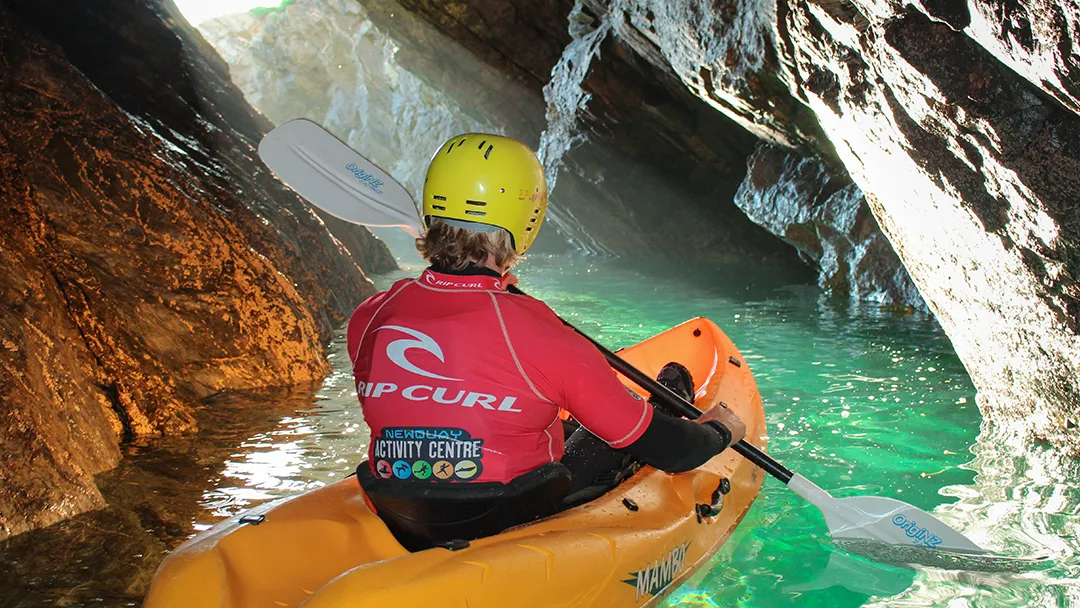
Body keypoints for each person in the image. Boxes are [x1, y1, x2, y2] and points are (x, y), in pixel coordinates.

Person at [346, 133, 746, 550]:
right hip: (515, 513)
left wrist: (492, 297)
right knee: (640, 413)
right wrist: (722, 431)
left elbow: (439, 390)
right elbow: (672, 454)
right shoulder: (545, 336)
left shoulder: (369, 316)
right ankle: (674, 390)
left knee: (552, 418)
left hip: (404, 509)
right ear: (528, 218)